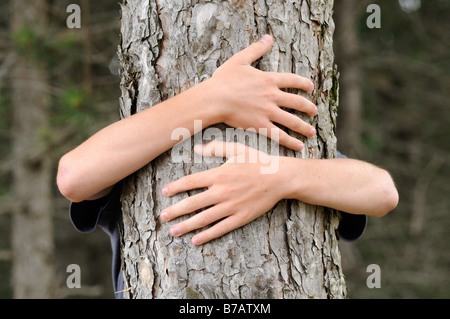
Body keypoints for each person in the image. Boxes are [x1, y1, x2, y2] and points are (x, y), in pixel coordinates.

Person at [57, 35, 398, 297]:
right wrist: (215, 98)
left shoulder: (292, 149)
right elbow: (75, 176)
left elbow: (381, 190)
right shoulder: (139, 151)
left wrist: (281, 176)